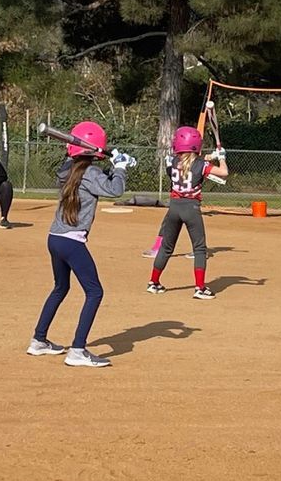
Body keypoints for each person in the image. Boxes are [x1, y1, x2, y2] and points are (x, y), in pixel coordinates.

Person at [29, 122, 133, 368]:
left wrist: (116, 166)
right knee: (95, 292)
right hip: (72, 241)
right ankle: (77, 350)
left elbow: (96, 180)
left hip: (54, 238)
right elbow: (115, 189)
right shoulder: (91, 173)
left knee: (60, 287)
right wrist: (119, 167)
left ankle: (39, 340)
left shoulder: (68, 170)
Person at [146, 125, 227, 299]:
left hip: (174, 207)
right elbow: (223, 172)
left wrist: (211, 156)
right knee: (199, 248)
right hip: (191, 208)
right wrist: (221, 158)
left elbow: (188, 162)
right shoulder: (200, 164)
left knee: (166, 247)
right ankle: (199, 288)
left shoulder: (174, 161)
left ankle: (153, 283)